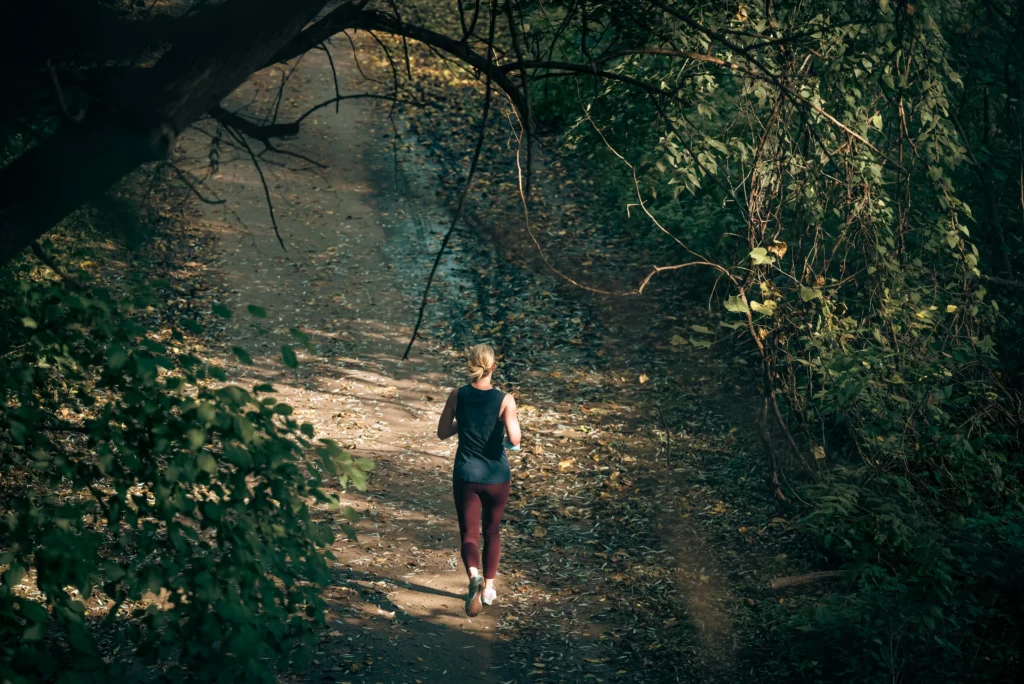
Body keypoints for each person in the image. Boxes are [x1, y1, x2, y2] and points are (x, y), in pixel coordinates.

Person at [436, 343, 521, 617]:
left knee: (469, 534)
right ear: (493, 367)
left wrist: (467, 422)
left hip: (466, 475)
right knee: (492, 531)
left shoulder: (457, 395)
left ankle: (474, 576)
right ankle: (489, 589)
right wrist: (505, 440)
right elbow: (515, 439)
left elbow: (442, 432)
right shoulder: (505, 399)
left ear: (470, 366)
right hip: (497, 476)